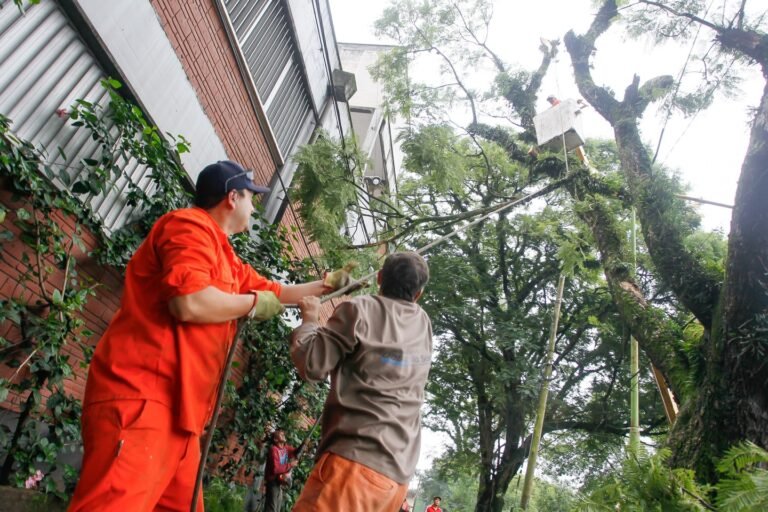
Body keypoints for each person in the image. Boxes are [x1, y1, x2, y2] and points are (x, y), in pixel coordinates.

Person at [67, 160, 347, 511]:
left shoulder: (227, 257)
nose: (254, 206)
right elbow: (189, 303)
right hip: (144, 401)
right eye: (251, 197)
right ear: (232, 197)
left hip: (181, 417)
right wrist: (250, 304)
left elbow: (277, 291)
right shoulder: (188, 226)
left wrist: (327, 284)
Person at [290, 251, 433, 511]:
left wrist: (310, 319)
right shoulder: (423, 324)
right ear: (418, 295)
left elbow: (312, 365)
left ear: (379, 277)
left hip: (353, 467)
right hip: (395, 481)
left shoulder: (358, 310)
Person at [264, 429, 297, 512]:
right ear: (276, 439)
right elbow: (276, 469)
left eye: (283, 434)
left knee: (277, 509)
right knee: (272, 508)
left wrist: (305, 444)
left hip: (279, 482)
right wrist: (290, 465)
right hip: (273, 482)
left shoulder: (286, 448)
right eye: (281, 435)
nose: (283, 435)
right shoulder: (274, 450)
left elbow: (296, 452)